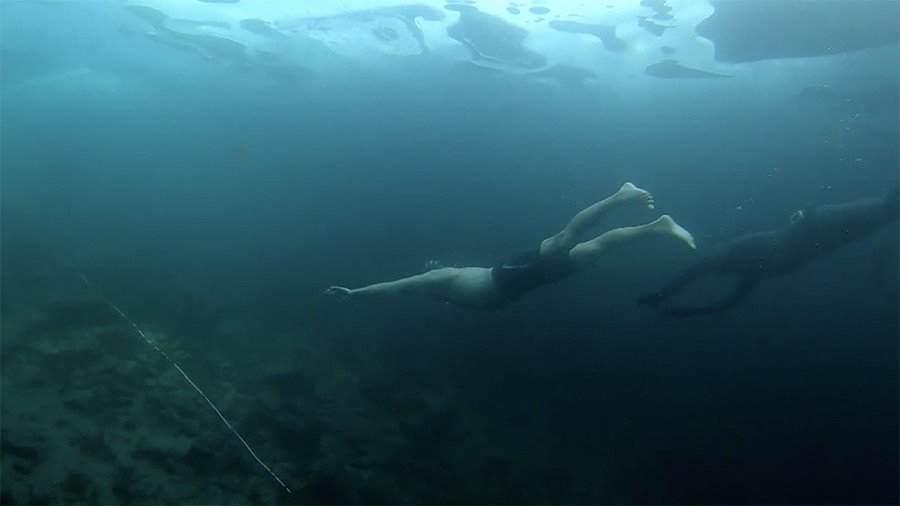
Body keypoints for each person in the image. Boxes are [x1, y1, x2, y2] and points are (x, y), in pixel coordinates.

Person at [324, 182, 697, 310]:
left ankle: (621, 196)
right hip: (521, 284)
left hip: (508, 276)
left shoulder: (442, 278)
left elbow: (400, 286)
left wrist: (357, 294)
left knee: (561, 243)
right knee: (592, 252)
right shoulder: (452, 296)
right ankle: (656, 228)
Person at [637, 186, 900, 317]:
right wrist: (667, 301)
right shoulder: (748, 264)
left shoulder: (748, 267)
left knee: (884, 213)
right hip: (815, 230)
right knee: (885, 213)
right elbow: (717, 294)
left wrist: (668, 302)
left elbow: (718, 297)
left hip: (816, 235)